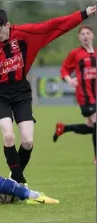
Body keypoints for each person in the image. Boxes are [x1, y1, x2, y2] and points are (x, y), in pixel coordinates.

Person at [0, 6, 97, 185]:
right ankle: (18, 181)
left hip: (22, 91)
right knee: (8, 137)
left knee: (28, 142)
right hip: (0, 94)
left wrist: (83, 13)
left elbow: (55, 25)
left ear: (7, 24)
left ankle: (11, 180)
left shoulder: (26, 33)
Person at [52, 25, 96, 164]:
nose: (85, 36)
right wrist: (70, 80)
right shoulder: (75, 54)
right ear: (79, 37)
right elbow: (64, 69)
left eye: (88, 33)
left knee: (91, 127)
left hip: (95, 94)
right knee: (96, 123)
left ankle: (64, 128)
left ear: (92, 35)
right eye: (82, 34)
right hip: (85, 95)